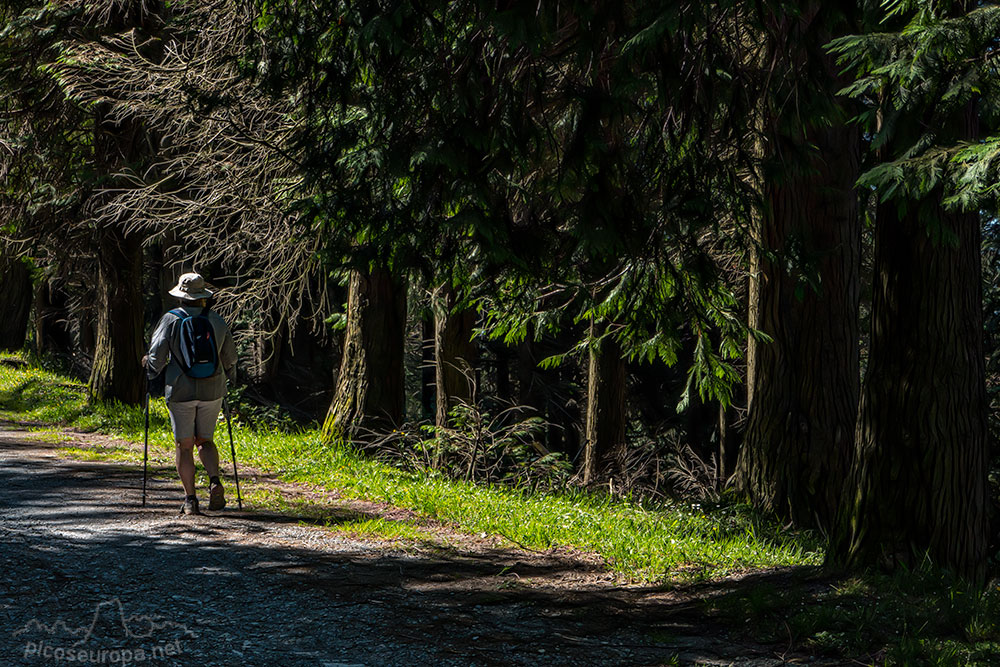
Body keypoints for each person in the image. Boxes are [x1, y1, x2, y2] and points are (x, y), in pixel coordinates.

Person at [144, 272, 237, 515]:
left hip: (180, 389)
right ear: (202, 297)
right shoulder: (216, 320)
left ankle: (190, 500)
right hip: (213, 389)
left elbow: (157, 358)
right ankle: (215, 481)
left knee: (184, 445)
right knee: (205, 440)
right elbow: (231, 358)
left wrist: (149, 367)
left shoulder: (170, 320)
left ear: (181, 297)